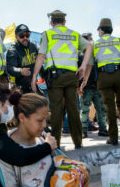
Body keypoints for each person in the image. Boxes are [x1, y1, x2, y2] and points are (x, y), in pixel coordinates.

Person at [0, 92, 75, 187]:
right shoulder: (7, 148)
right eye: (40, 120)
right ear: (22, 118)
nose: (45, 125)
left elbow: (65, 168)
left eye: (46, 119)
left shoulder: (44, 142)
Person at [31, 10, 93, 149]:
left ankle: (56, 144)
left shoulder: (48, 34)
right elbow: (89, 46)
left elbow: (41, 56)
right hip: (72, 76)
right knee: (73, 110)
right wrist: (82, 65)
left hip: (55, 77)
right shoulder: (74, 34)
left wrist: (35, 75)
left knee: (56, 110)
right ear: (64, 22)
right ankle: (78, 142)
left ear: (52, 22)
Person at [85, 18, 120, 145]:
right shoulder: (118, 41)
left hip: (103, 77)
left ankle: (113, 137)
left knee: (109, 108)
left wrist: (83, 81)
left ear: (101, 30)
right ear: (110, 29)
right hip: (119, 76)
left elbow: (89, 65)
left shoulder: (95, 44)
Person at [79, 33, 108, 138]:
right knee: (84, 111)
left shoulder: (96, 55)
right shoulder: (80, 57)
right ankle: (83, 131)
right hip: (86, 88)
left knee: (101, 109)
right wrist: (79, 87)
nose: (91, 42)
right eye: (89, 40)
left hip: (98, 87)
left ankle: (103, 129)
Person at [7, 24, 42, 94]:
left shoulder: (33, 46)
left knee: (43, 101)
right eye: (21, 36)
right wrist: (20, 71)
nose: (25, 38)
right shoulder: (12, 50)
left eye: (27, 35)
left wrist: (44, 76)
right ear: (16, 37)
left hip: (33, 84)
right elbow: (10, 68)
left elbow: (38, 63)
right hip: (19, 87)